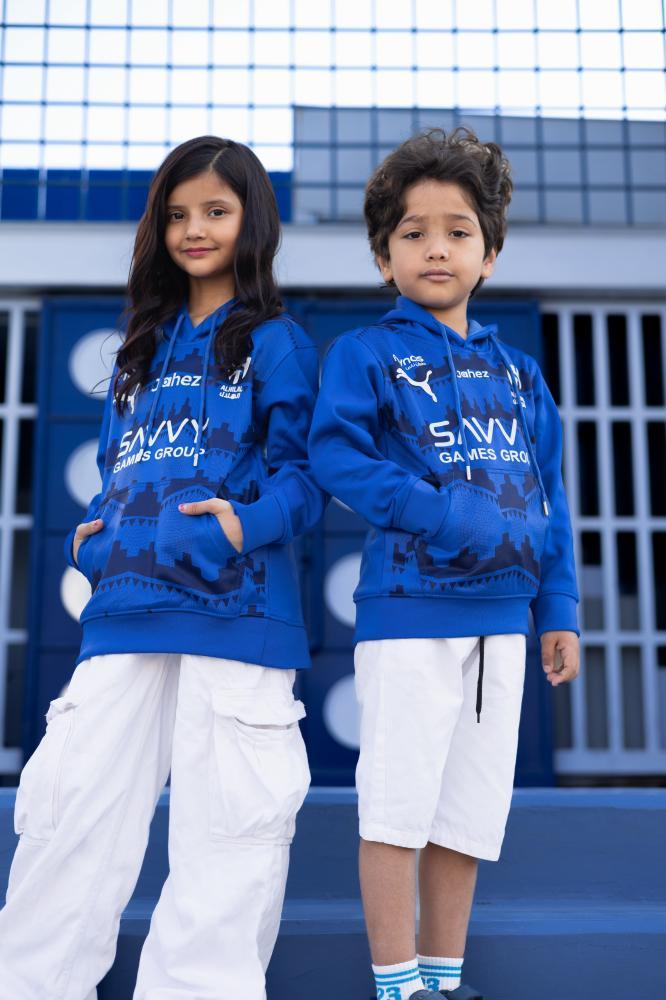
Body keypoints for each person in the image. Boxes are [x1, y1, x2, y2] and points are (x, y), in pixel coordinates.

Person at [0, 136, 323, 1000]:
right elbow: (117, 470)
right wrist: (89, 542)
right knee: (67, 818)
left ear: (253, 221)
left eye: (216, 210)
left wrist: (239, 526)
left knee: (229, 839)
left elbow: (304, 480)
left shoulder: (279, 344)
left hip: (236, 613)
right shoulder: (136, 351)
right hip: (124, 612)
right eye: (177, 214)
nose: (194, 229)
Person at [308, 127, 580, 1000]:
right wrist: (442, 510)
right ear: (383, 257)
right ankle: (397, 988)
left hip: (505, 627)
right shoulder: (365, 354)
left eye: (458, 231)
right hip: (410, 613)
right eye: (414, 232)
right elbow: (336, 457)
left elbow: (548, 498)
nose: (436, 247)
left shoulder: (522, 377)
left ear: (489, 254)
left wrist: (559, 609)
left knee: (466, 820)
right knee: (397, 810)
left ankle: (443, 982)